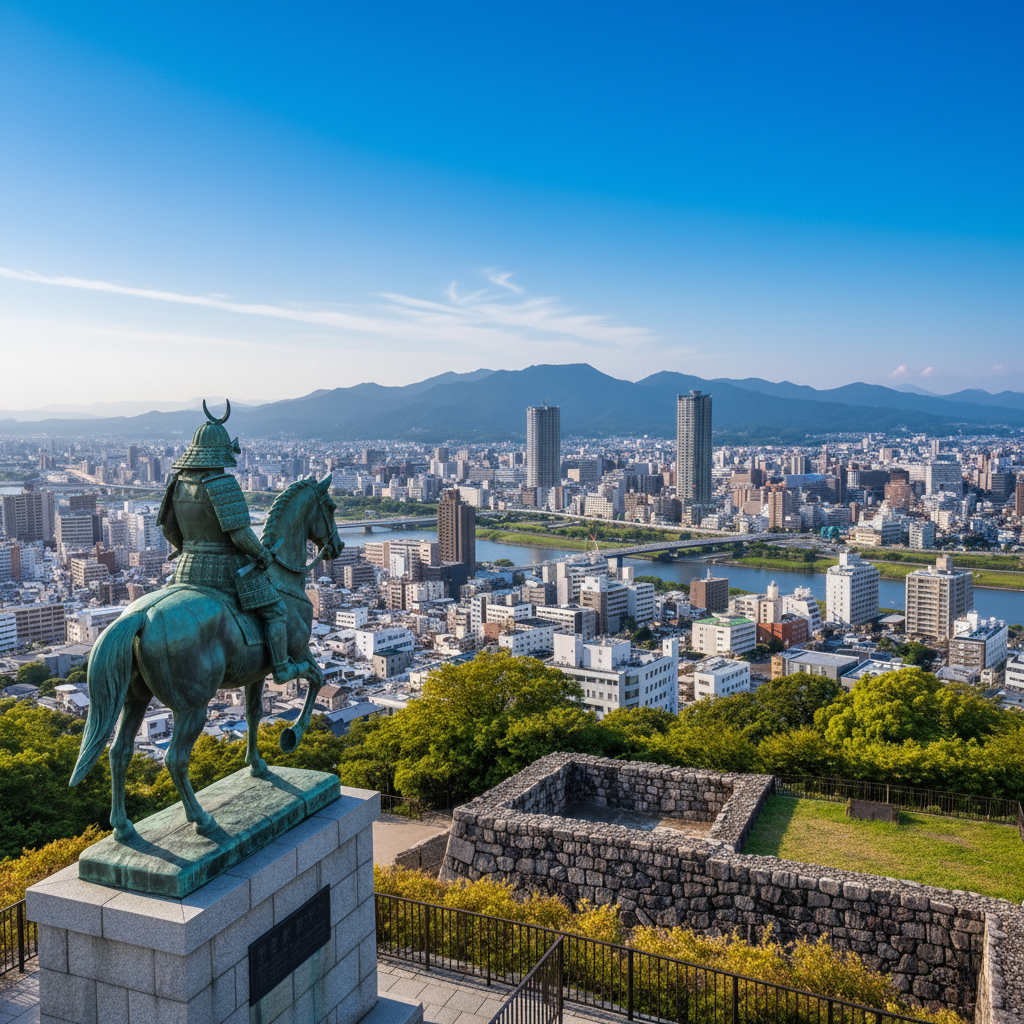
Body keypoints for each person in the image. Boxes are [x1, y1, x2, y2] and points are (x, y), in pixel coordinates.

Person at [156, 400, 301, 683]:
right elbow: (241, 534)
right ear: (222, 451)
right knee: (276, 610)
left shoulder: (178, 483)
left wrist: (186, 550)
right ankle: (282, 667)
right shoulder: (222, 484)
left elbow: (168, 530)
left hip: (185, 570)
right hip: (228, 570)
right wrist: (262, 555)